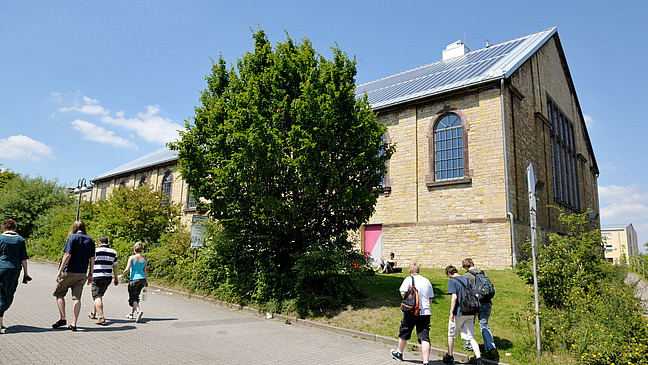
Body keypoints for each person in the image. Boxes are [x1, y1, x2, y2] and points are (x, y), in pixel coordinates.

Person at [52, 220, 95, 331]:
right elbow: (92, 259)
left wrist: (59, 271)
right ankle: (74, 323)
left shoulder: (72, 238)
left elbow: (67, 255)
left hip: (69, 272)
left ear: (74, 228)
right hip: (82, 273)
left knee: (60, 294)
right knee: (77, 298)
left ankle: (63, 318)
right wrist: (91, 273)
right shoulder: (90, 240)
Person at [390, 262, 434, 364]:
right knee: (424, 336)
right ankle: (426, 361)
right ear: (418, 270)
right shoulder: (426, 281)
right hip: (425, 312)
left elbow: (402, 292)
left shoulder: (409, 279)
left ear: (410, 271)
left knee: (405, 331)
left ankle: (399, 353)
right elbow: (430, 298)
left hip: (411, 311)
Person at [444, 265, 483, 365]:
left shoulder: (452, 281)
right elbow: (477, 295)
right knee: (471, 337)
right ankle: (479, 359)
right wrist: (476, 310)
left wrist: (451, 312)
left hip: (459, 312)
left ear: (449, 273)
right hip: (470, 312)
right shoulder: (467, 280)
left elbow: (454, 297)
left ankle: (450, 356)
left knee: (451, 334)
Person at [462, 258, 498, 359]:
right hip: (486, 302)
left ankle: (469, 345)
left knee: (469, 324)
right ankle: (491, 347)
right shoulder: (483, 273)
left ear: (465, 266)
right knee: (484, 326)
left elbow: (465, 291)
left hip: (474, 304)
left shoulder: (467, 275)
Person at [0, 219, 31, 334]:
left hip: (1, 269)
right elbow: (24, 258)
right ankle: (1, 320)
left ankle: (0, 318)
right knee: (9, 293)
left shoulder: (0, 238)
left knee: (0, 294)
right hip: (15, 270)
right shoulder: (20, 240)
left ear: (4, 228)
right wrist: (26, 273)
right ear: (14, 227)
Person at [88, 235, 119, 325]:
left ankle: (101, 317)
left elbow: (90, 263)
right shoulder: (113, 252)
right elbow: (115, 266)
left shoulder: (95, 251)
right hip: (108, 277)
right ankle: (93, 313)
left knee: (97, 296)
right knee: (99, 295)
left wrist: (89, 274)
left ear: (99, 243)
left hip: (97, 276)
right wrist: (116, 278)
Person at [119, 242, 148, 323]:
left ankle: (138, 311)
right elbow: (145, 271)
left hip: (134, 280)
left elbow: (127, 269)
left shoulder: (132, 258)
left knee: (132, 298)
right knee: (136, 296)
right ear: (141, 249)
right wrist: (146, 281)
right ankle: (131, 314)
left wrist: (121, 275)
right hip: (142, 279)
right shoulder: (144, 259)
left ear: (134, 249)